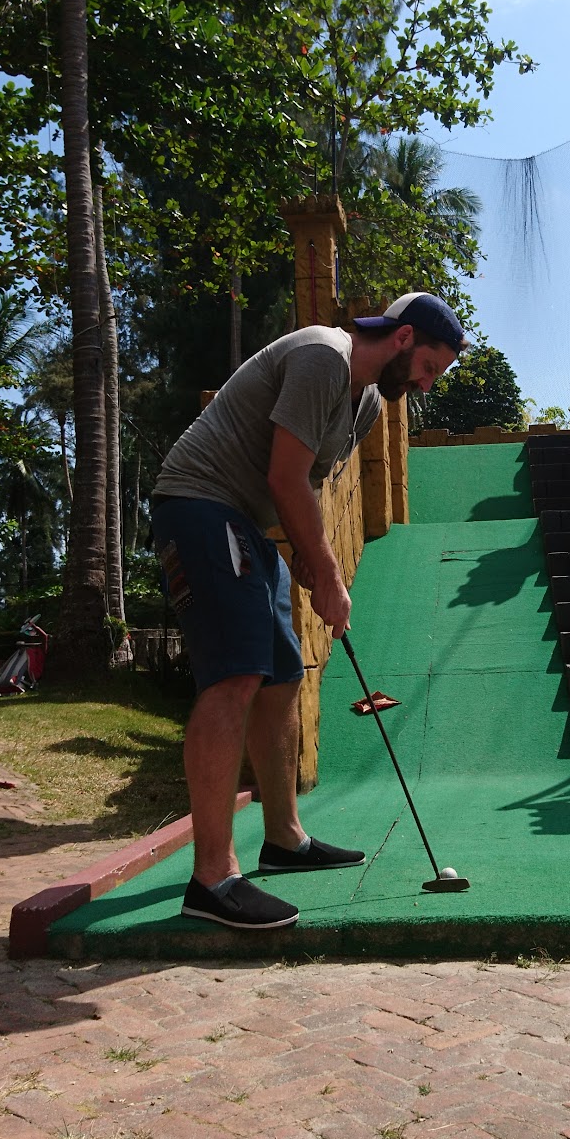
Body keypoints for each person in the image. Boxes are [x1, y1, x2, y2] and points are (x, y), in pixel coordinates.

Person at [151, 292, 465, 930]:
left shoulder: (369, 403)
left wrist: (313, 569)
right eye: (431, 366)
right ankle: (213, 878)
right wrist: (324, 574)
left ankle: (285, 840)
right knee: (235, 676)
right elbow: (284, 476)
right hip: (200, 504)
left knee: (282, 674)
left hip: (249, 525)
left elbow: (311, 489)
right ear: (403, 339)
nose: (429, 384)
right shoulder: (325, 355)